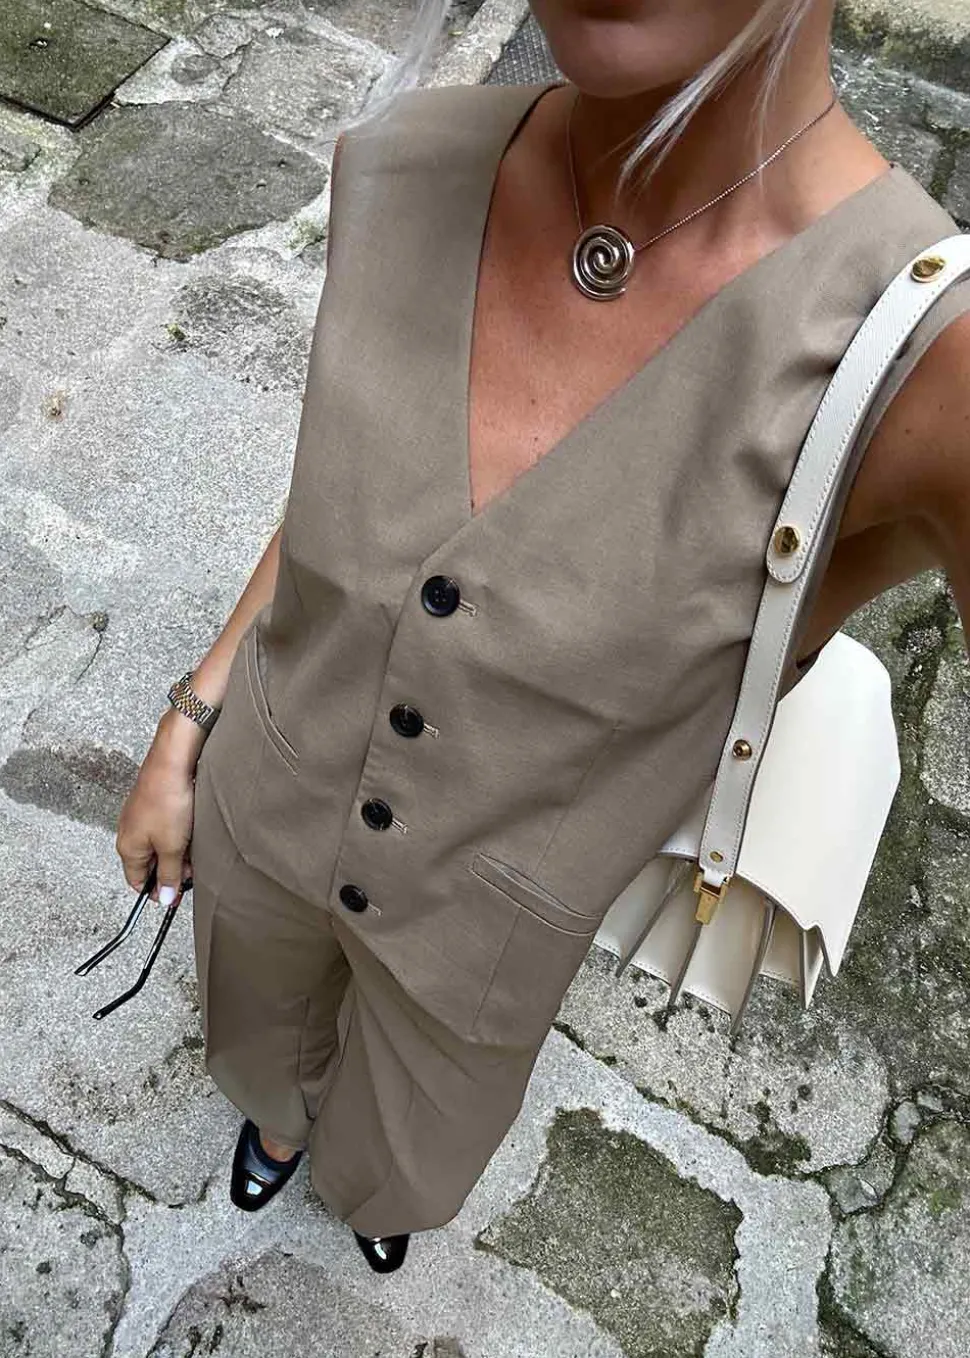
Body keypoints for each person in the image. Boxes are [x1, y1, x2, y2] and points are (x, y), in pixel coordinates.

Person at [114, 0, 970, 1275]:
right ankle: (280, 1123)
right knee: (256, 1024)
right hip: (266, 798)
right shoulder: (396, 163)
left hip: (490, 926)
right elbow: (334, 500)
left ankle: (368, 1190)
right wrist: (188, 725)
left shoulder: (927, 363)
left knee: (412, 1140)